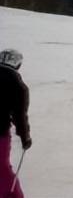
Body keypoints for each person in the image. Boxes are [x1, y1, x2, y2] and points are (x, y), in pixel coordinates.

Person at [1, 49, 31, 198]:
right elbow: (19, 116)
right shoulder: (18, 86)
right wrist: (25, 137)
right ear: (18, 65)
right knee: (2, 169)